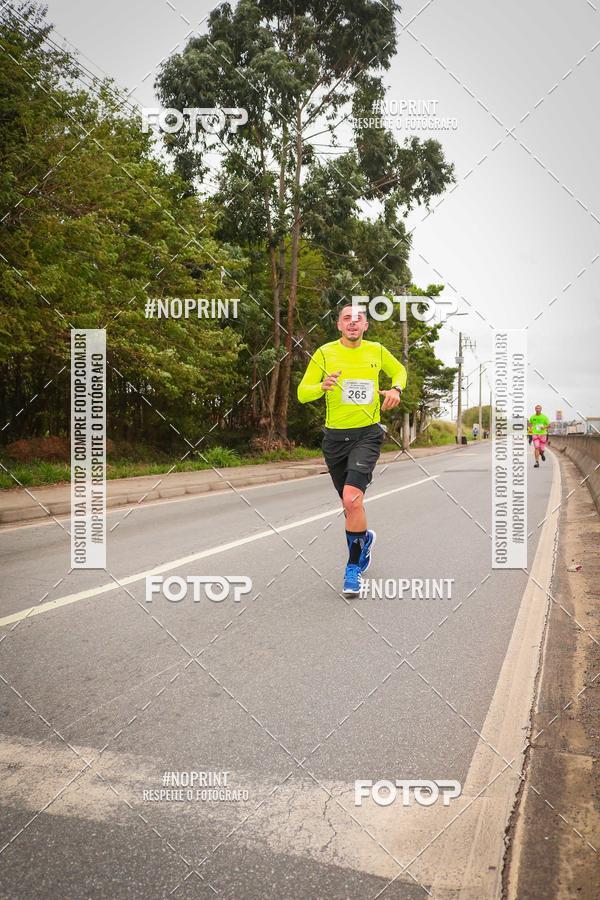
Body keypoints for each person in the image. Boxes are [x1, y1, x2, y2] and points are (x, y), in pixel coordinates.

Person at [297, 304, 407, 596]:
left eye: (358, 319)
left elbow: (399, 371)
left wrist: (396, 388)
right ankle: (364, 539)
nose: (353, 323)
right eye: (347, 318)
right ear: (339, 325)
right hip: (335, 439)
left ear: (366, 326)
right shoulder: (324, 353)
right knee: (349, 507)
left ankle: (353, 568)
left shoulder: (377, 351)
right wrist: (321, 386)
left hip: (367, 434)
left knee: (352, 499)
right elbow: (301, 392)